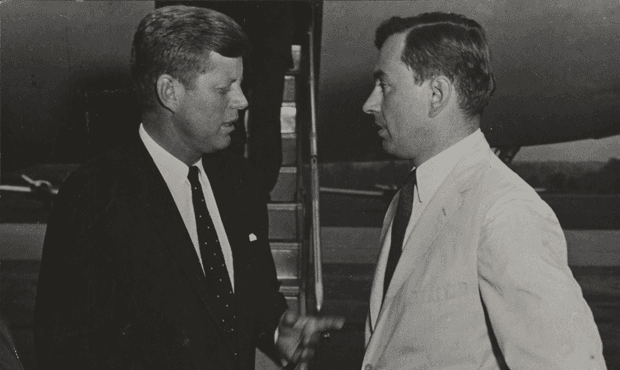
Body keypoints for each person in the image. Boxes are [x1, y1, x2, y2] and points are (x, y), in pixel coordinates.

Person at [34, 6, 342, 370]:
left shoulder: (241, 181)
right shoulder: (93, 196)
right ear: (170, 92)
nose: (243, 101)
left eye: (240, 85)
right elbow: (63, 350)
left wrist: (276, 332)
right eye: (224, 88)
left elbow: (254, 297)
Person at [361, 12, 606, 370]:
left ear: (436, 95)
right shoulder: (407, 200)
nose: (369, 103)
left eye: (385, 86)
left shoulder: (505, 212)